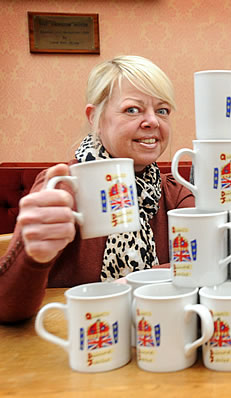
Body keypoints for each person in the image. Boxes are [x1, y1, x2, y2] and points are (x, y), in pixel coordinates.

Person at [0, 56, 195, 323]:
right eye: (132, 110)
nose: (152, 121)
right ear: (95, 118)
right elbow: (7, 309)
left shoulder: (175, 192)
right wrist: (34, 256)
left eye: (162, 111)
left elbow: (204, 264)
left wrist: (139, 282)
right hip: (77, 338)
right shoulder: (62, 188)